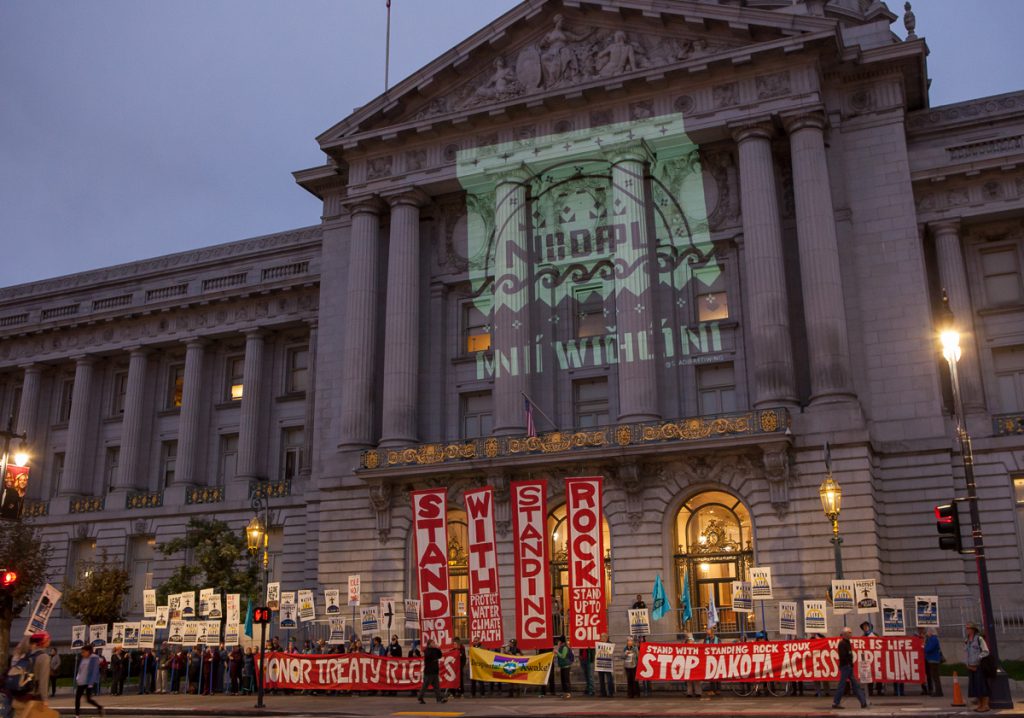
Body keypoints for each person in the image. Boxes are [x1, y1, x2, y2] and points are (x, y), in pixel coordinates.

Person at [10, 631, 52, 716]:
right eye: (48, 639)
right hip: (33, 697)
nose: (50, 641)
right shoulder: (44, 657)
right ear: (43, 642)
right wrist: (45, 699)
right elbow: (43, 680)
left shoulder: (26, 655)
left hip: (19, 695)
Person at [832, 627, 868, 709]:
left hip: (848, 667)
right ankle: (835, 703)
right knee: (844, 685)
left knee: (855, 685)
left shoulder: (847, 642)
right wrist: (849, 663)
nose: (851, 634)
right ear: (845, 634)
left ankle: (863, 702)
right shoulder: (842, 644)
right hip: (846, 667)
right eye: (849, 632)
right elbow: (843, 656)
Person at [965, 621, 991, 713]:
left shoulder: (979, 639)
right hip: (970, 666)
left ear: (973, 629)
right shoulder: (967, 640)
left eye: (968, 628)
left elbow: (985, 651)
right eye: (966, 628)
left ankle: (985, 705)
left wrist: (978, 658)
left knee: (982, 686)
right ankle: (980, 705)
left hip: (978, 666)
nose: (966, 629)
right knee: (976, 687)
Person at [75, 644, 104, 717]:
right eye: (82, 652)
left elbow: (94, 671)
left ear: (88, 652)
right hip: (81, 681)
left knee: (88, 699)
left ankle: (99, 707)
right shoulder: (83, 659)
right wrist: (77, 677)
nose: (82, 654)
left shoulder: (94, 659)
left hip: (88, 682)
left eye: (84, 652)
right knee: (77, 698)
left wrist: (91, 683)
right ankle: (77, 715)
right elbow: (80, 669)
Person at [417, 639, 446, 704]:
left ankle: (439, 699)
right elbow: (428, 656)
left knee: (437, 686)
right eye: (433, 643)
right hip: (429, 671)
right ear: (429, 644)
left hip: (435, 670)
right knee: (425, 686)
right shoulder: (427, 650)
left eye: (434, 642)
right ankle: (420, 697)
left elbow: (440, 655)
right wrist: (434, 649)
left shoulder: (435, 650)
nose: (434, 644)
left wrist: (438, 649)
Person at [860, 621, 883, 697]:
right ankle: (870, 691)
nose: (865, 628)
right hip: (867, 658)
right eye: (864, 627)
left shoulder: (875, 635)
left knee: (878, 674)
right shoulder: (863, 636)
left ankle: (879, 690)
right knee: (869, 675)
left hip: (876, 657)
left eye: (866, 626)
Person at [924, 628, 943, 697]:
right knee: (934, 677)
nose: (927, 633)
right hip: (932, 659)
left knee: (935, 677)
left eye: (928, 632)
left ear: (931, 632)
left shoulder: (933, 639)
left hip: (933, 660)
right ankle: (938, 691)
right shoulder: (932, 639)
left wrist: (924, 647)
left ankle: (938, 691)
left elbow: (929, 648)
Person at [703, 626, 721, 696]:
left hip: (717, 659)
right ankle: (712, 690)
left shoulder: (718, 639)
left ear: (712, 633)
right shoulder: (706, 639)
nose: (708, 635)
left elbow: (721, 648)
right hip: (709, 660)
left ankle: (718, 690)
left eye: (709, 634)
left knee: (718, 676)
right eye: (708, 634)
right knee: (711, 676)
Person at [596, 633, 615, 697]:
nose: (601, 638)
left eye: (602, 637)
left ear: (606, 638)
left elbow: (611, 653)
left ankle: (610, 692)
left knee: (609, 679)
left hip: (607, 664)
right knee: (601, 679)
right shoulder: (599, 644)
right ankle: (603, 692)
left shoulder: (610, 644)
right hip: (601, 663)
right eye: (601, 637)